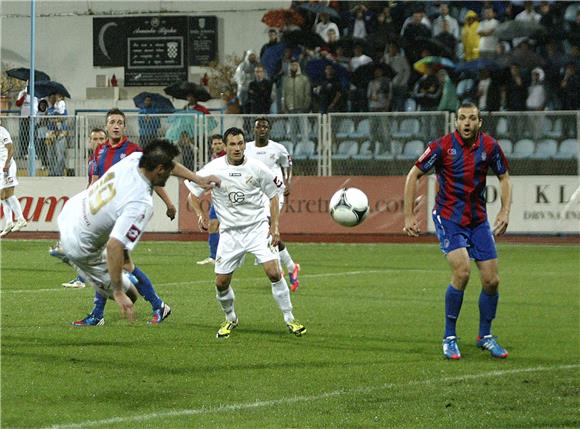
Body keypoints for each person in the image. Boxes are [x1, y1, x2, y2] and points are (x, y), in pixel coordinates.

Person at [58, 139, 218, 325]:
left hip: (99, 226)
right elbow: (169, 166)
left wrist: (118, 292)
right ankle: (154, 305)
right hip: (102, 223)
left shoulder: (136, 163)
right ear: (159, 169)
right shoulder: (138, 176)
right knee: (121, 264)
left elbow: (115, 246)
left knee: (113, 263)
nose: (168, 175)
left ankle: (101, 314)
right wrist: (197, 179)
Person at [403, 102, 512, 360]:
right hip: (449, 218)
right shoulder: (441, 146)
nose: (466, 123)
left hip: (478, 221)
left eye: (472, 119)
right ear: (455, 121)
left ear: (479, 122)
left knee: (491, 281)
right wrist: (408, 215)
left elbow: (504, 177)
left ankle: (485, 336)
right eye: (462, 118)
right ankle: (449, 337)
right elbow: (413, 175)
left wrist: (505, 211)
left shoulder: (489, 146)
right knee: (462, 272)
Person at [185, 127, 306, 338]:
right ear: (224, 146)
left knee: (274, 272)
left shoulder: (258, 168)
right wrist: (200, 215)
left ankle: (290, 319)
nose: (237, 148)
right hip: (230, 234)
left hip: (257, 228)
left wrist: (274, 226)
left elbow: (274, 196)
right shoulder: (212, 169)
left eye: (240, 143)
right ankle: (230, 318)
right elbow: (192, 195)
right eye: (232, 144)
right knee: (221, 283)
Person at [245, 117, 300, 291]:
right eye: (258, 126)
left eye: (265, 126)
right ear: (254, 129)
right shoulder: (246, 148)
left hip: (275, 191)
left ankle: (279, 268)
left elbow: (288, 164)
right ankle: (291, 267)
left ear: (269, 130)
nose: (262, 129)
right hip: (255, 193)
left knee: (268, 225)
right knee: (265, 230)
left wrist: (288, 183)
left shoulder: (278, 148)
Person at [194, 134, 225, 265]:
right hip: (218, 200)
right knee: (213, 225)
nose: (217, 146)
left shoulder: (227, 158)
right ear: (212, 146)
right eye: (215, 143)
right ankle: (214, 257)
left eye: (219, 143)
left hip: (231, 200)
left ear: (224, 144)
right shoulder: (213, 160)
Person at [0, 125, 27, 237]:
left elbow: (11, 148)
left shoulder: (2, 131)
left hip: (7, 165)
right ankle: (9, 222)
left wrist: (7, 163)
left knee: (9, 193)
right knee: (2, 195)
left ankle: (21, 219)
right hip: (1, 166)